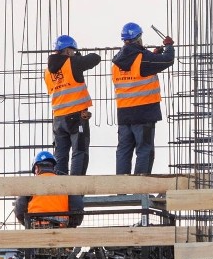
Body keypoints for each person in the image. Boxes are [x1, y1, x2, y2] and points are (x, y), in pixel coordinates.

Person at [111, 22, 175, 174]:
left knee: (123, 151)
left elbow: (140, 69)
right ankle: (140, 191)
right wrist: (169, 46)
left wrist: (154, 55)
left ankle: (122, 190)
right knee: (144, 150)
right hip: (144, 112)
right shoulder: (143, 58)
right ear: (139, 38)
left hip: (124, 114)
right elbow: (168, 60)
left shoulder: (116, 62)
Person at [45, 35, 102, 176]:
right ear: (68, 51)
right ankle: (76, 190)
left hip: (58, 119)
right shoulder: (73, 63)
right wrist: (77, 58)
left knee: (60, 155)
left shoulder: (47, 72)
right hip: (76, 116)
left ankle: (62, 189)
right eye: (72, 50)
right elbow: (95, 58)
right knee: (79, 151)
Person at [14, 151, 84, 228]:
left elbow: (19, 209)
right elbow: (78, 207)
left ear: (36, 168)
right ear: (53, 166)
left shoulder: (30, 184)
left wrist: (27, 223)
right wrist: (70, 225)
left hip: (37, 227)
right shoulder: (65, 183)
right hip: (61, 228)